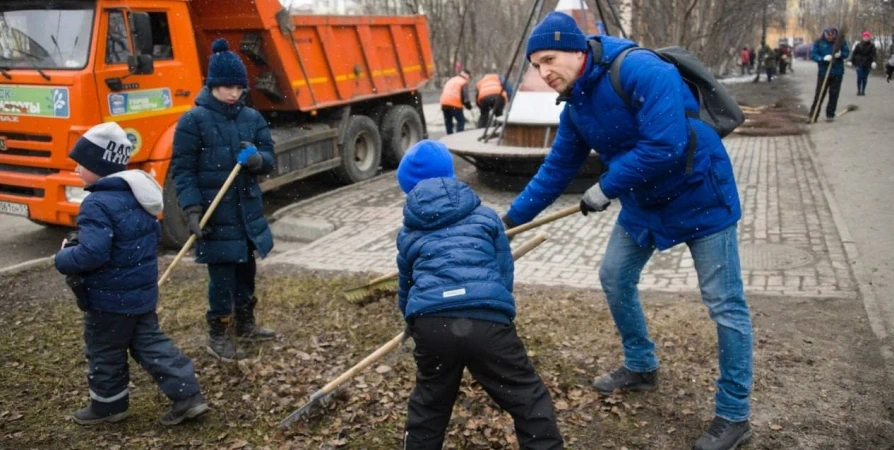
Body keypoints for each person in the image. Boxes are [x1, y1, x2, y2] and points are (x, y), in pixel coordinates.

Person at [501, 12, 753, 450]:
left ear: (577, 50)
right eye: (536, 65)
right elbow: (557, 168)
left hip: (701, 196)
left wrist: (606, 186)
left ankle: (734, 415)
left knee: (724, 304)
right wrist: (510, 221)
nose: (543, 73)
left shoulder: (639, 70)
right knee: (614, 276)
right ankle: (641, 365)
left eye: (549, 59)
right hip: (646, 205)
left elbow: (667, 144)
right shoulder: (577, 103)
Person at [396, 140, 564, 450]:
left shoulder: (408, 232)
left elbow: (406, 284)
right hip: (487, 322)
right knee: (528, 399)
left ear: (409, 189)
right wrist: (499, 309)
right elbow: (504, 271)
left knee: (429, 407)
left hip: (432, 325)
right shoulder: (486, 217)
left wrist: (411, 320)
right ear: (451, 176)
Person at [55, 122, 208, 426]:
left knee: (105, 351)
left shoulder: (96, 203)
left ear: (99, 166)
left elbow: (94, 253)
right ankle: (188, 396)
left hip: (108, 301)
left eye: (81, 164)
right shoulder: (138, 197)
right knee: (152, 345)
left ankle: (108, 406)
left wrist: (63, 256)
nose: (75, 170)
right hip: (140, 294)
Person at [172, 38, 276, 361]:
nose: (233, 93)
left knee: (246, 272)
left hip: (246, 214)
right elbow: (183, 170)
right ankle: (218, 333)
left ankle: (246, 323)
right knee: (222, 280)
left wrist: (257, 159)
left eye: (238, 87)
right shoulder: (193, 121)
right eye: (226, 87)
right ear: (212, 85)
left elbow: (270, 157)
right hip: (216, 215)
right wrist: (191, 210)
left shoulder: (252, 118)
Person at [809, 26, 850, 122]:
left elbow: (846, 52)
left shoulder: (841, 42)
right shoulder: (819, 42)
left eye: (832, 36)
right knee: (819, 94)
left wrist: (840, 55)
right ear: (825, 34)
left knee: (834, 94)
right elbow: (813, 54)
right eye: (828, 36)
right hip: (823, 73)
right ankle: (813, 115)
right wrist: (822, 58)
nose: (830, 38)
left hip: (837, 72)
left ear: (835, 35)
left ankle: (830, 115)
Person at [440, 69, 472, 134]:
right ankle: (459, 137)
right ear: (467, 76)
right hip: (454, 103)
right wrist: (468, 106)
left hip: (444, 103)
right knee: (461, 121)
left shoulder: (452, 80)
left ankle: (449, 136)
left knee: (448, 122)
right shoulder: (463, 82)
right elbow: (465, 97)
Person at [848, 31, 877, 96]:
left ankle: (863, 91)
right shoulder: (858, 45)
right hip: (859, 63)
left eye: (867, 36)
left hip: (867, 63)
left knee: (865, 78)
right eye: (865, 36)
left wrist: (874, 61)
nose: (866, 38)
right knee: (859, 77)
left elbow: (874, 54)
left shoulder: (872, 45)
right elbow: (854, 53)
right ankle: (858, 91)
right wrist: (850, 60)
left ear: (869, 37)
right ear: (863, 37)